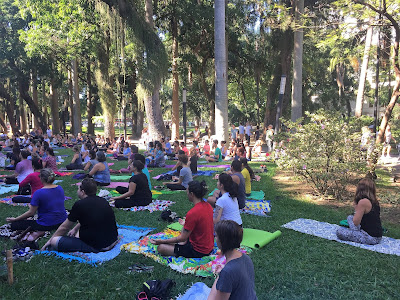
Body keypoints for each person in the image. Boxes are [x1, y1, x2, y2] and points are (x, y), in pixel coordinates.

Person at [41, 178, 118, 253]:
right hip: (113, 240)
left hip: (99, 246)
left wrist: (50, 240)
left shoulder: (79, 204)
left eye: (78, 189)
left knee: (55, 241)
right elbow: (90, 217)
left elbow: (64, 227)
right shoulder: (103, 200)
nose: (77, 191)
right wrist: (75, 229)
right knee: (78, 232)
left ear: (82, 192)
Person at [150, 180, 214, 258]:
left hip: (199, 250)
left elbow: (183, 238)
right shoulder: (208, 205)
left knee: (161, 247)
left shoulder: (193, 213)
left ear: (192, 194)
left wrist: (162, 241)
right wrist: (186, 224)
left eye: (187, 192)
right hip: (208, 245)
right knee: (180, 243)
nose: (186, 194)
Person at [208, 220, 257, 300]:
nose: (214, 238)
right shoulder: (245, 258)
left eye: (216, 235)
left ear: (222, 240)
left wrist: (221, 276)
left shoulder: (227, 272)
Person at [336, 178, 383, 245]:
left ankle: (355, 233)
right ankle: (355, 232)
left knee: (339, 232)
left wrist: (356, 207)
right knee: (350, 217)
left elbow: (355, 222)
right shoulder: (375, 201)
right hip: (377, 235)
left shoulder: (363, 202)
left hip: (370, 237)